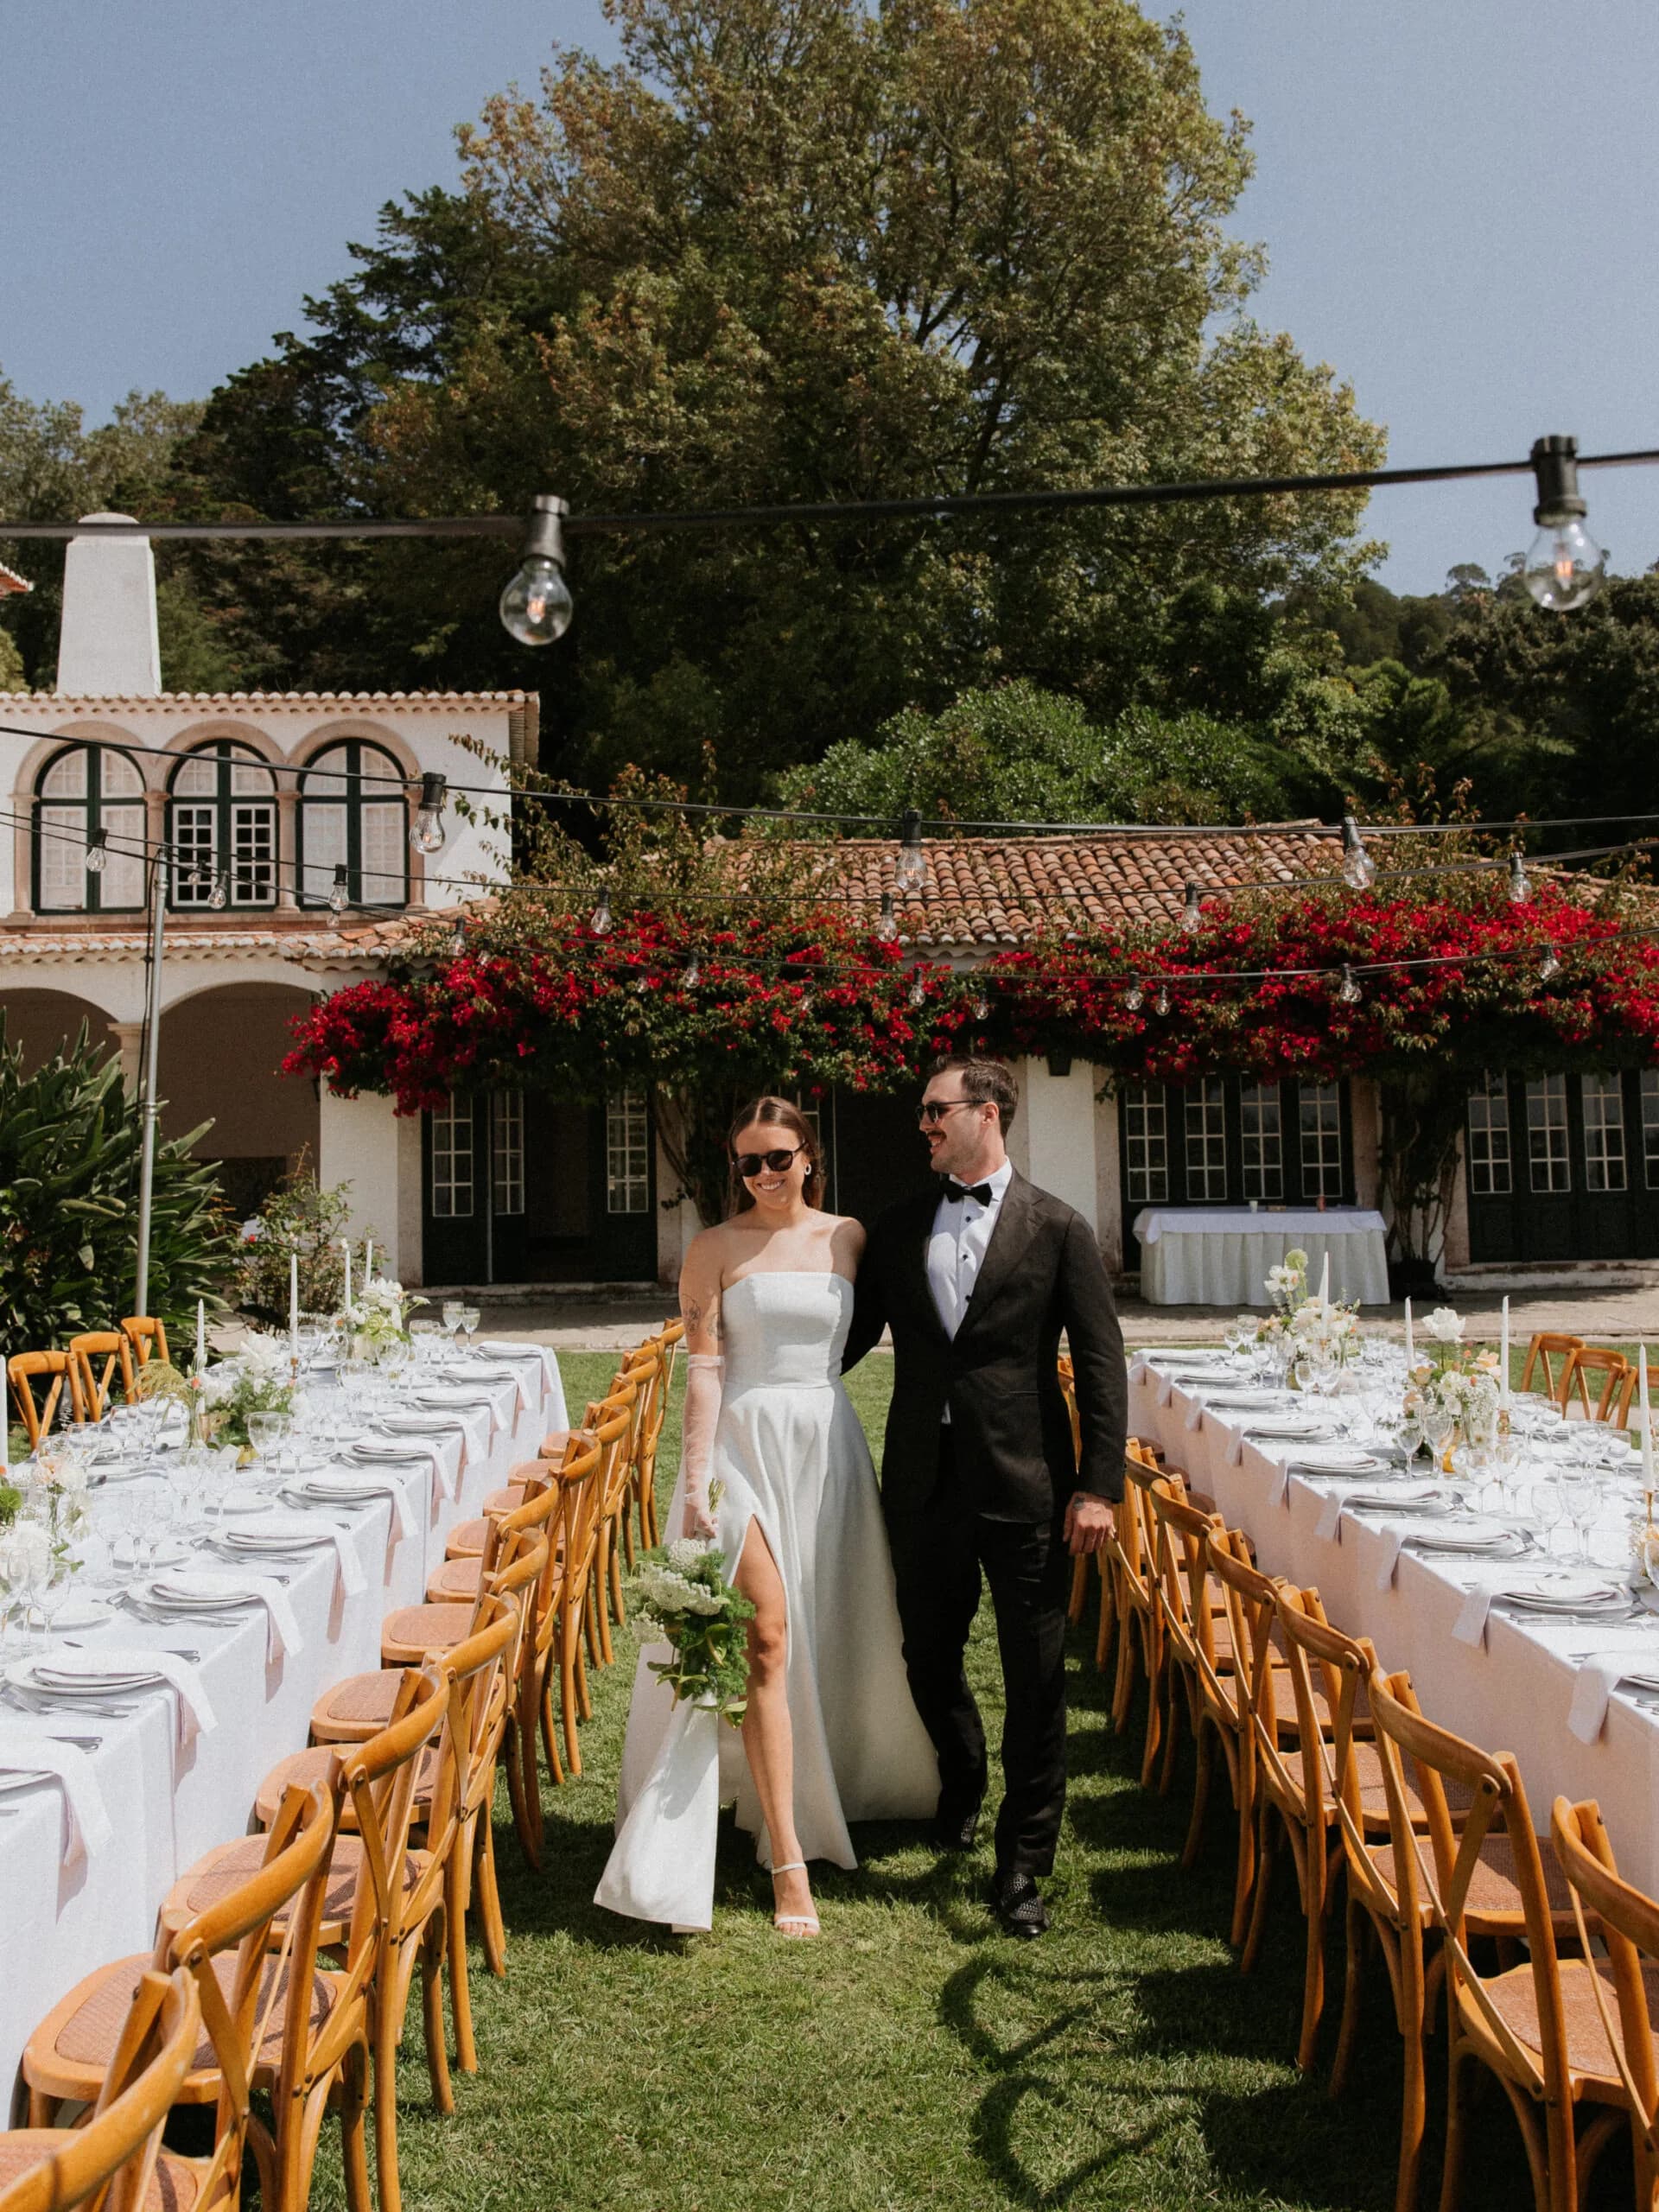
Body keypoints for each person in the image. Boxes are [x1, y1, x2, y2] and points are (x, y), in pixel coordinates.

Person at [595, 1096, 938, 1938]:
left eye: (778, 1157)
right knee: (766, 1639)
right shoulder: (712, 1247)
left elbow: (883, 1330)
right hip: (740, 1450)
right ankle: (789, 1860)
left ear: (808, 1155)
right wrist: (695, 1486)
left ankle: (816, 1789)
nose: (763, 1174)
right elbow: (704, 1374)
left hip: (825, 1445)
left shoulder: (848, 1237)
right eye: (748, 1162)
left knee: (823, 1627)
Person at [842, 1056, 1127, 1939]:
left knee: (1035, 1679)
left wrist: (1098, 1487)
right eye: (923, 1112)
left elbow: (1103, 1363)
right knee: (927, 1654)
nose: (923, 1125)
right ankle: (961, 1777)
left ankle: (1023, 1862)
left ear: (987, 1113)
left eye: (936, 1110)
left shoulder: (1059, 1227)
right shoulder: (897, 1227)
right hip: (923, 1484)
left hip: (1027, 1484)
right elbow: (847, 1338)